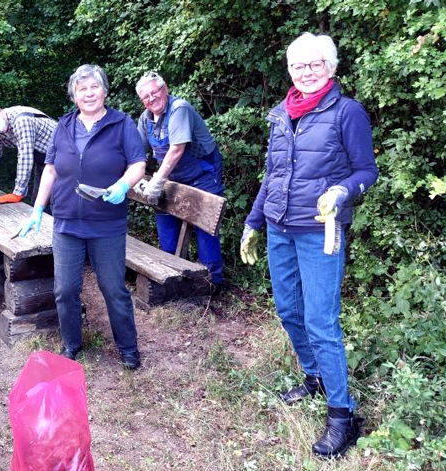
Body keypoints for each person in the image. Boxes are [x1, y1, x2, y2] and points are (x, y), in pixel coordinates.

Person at [240, 32, 378, 458]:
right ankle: (314, 376)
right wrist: (253, 222)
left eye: (315, 64)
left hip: (321, 230)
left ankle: (342, 416)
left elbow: (366, 171)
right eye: (298, 65)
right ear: (289, 70)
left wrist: (342, 191)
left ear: (331, 68)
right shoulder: (282, 112)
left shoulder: (347, 112)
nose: (306, 71)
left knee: (321, 320)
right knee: (288, 310)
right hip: (280, 226)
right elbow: (273, 175)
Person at [16, 64, 146, 370]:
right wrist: (37, 208)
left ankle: (128, 348)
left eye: (94, 87)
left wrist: (123, 184)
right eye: (81, 89)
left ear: (105, 90)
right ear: (74, 94)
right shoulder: (63, 125)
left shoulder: (121, 123)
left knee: (113, 288)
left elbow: (138, 164)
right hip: (66, 222)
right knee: (65, 290)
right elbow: (50, 169)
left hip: (106, 223)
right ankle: (72, 343)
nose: (88, 93)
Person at [134, 71, 226, 291]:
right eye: (146, 96)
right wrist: (134, 177)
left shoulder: (179, 109)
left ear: (165, 89)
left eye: (155, 92)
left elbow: (176, 150)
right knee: (165, 223)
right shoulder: (145, 119)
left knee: (206, 226)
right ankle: (172, 279)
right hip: (172, 177)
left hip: (202, 175)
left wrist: (156, 182)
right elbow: (137, 151)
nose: (151, 98)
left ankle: (212, 285)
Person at [0, 101, 57, 205]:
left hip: (65, 156)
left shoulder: (21, 120)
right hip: (46, 160)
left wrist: (18, 193)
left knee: (56, 203)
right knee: (39, 202)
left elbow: (25, 157)